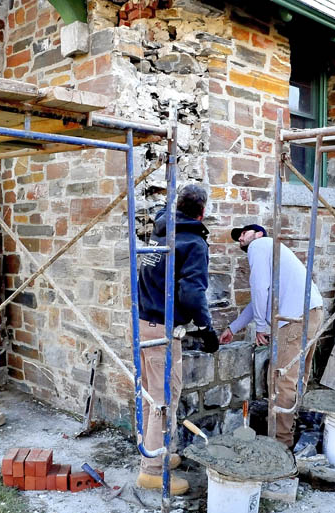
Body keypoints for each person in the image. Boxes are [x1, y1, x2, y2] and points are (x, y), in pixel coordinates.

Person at [136, 184, 218, 495]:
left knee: (149, 396)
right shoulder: (193, 243)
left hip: (144, 323)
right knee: (164, 398)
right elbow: (192, 293)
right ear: (202, 212)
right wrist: (207, 328)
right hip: (162, 331)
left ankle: (152, 452)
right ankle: (152, 472)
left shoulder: (162, 232)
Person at [219, 224, 323, 447]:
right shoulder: (273, 251)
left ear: (258, 234)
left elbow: (259, 288)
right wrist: (233, 328)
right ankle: (291, 426)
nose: (240, 240)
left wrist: (261, 327)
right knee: (297, 377)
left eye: (243, 234)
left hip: (293, 318)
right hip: (312, 312)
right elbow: (259, 297)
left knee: (280, 380)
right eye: (238, 239)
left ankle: (280, 443)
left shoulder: (260, 245)